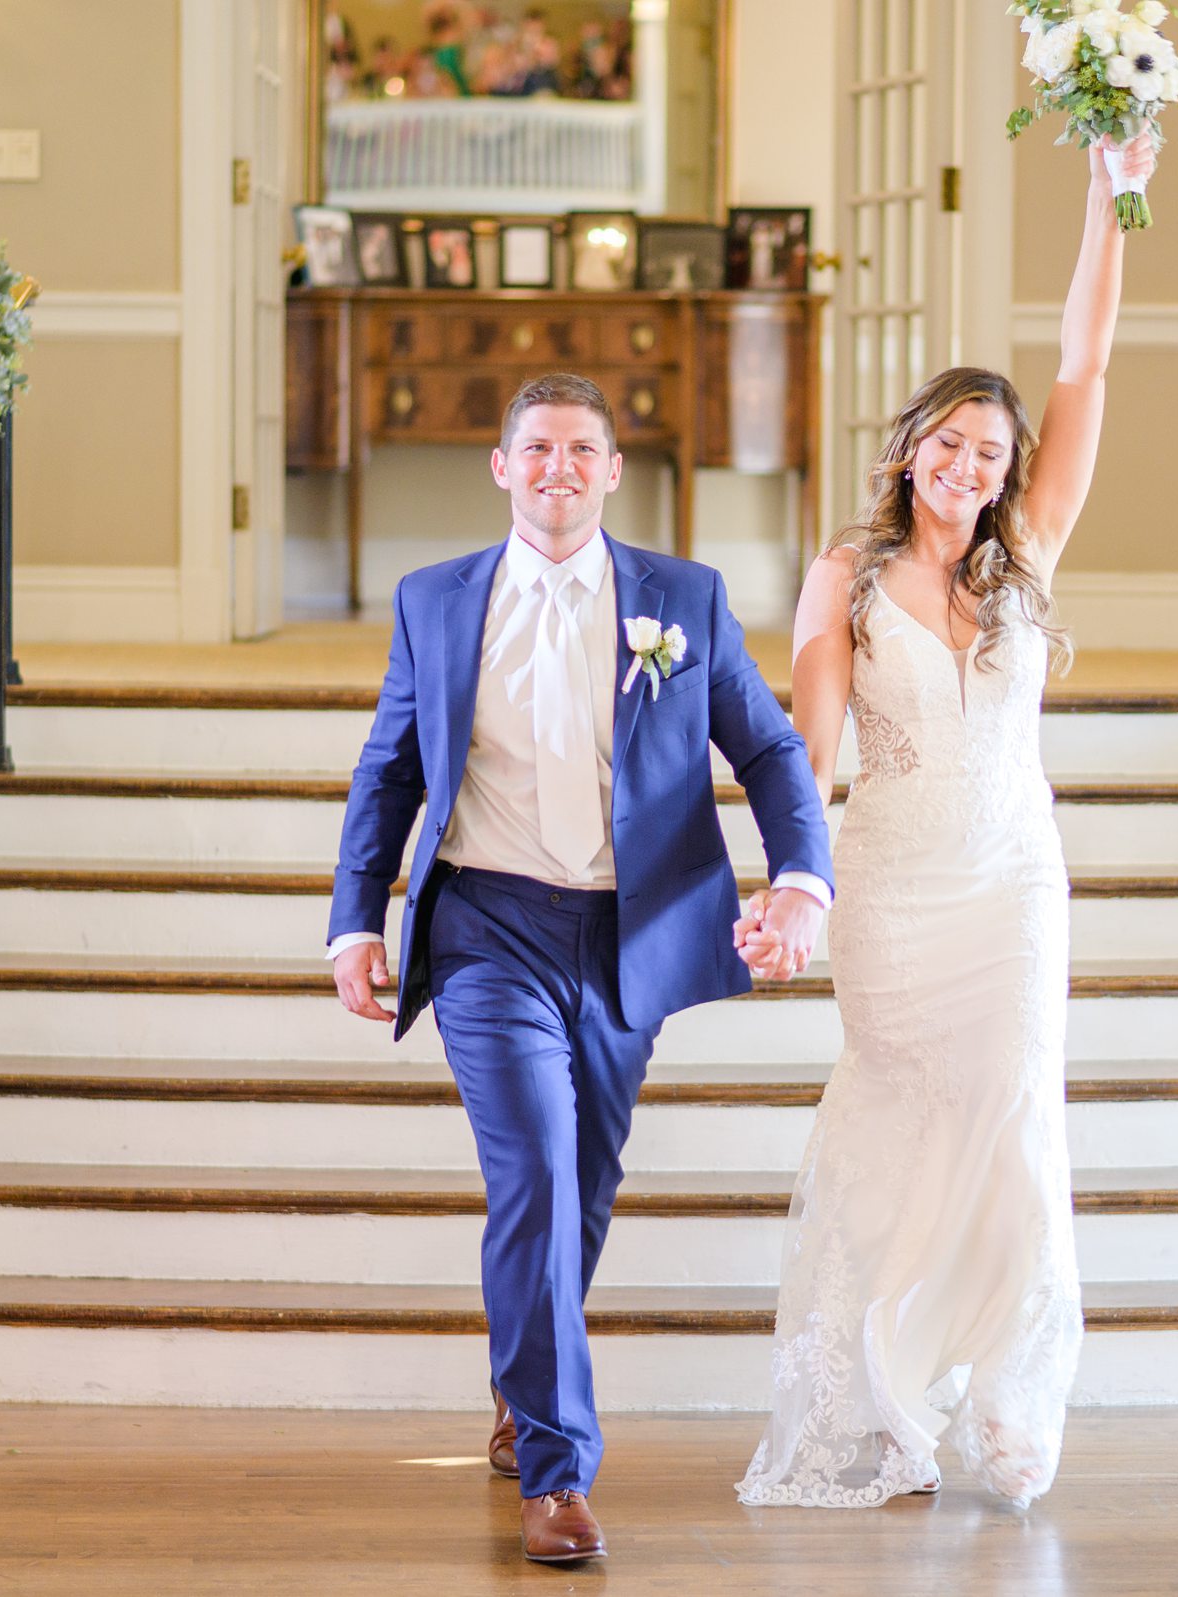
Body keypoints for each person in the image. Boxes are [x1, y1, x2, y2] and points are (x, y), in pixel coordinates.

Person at [329, 373, 835, 1562]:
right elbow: (390, 769)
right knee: (542, 1177)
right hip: (487, 931)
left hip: (625, 936)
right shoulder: (436, 601)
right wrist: (358, 920)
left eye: (583, 450)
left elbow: (764, 747)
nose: (559, 467)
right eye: (537, 448)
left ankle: (521, 1377)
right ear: (503, 469)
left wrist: (803, 876)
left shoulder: (684, 601)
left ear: (613, 472)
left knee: (586, 1182)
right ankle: (556, 1472)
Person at [733, 131, 1157, 1510]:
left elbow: (1084, 366)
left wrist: (1109, 192)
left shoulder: (1026, 551)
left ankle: (1007, 1403)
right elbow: (802, 748)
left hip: (1015, 882)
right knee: (902, 1126)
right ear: (910, 445)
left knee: (1020, 1120)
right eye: (953, 442)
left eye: (993, 451)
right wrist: (788, 883)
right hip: (898, 888)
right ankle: (883, 1399)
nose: (973, 467)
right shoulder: (843, 578)